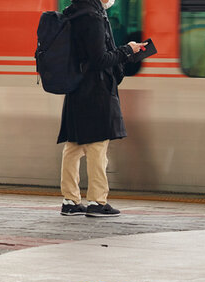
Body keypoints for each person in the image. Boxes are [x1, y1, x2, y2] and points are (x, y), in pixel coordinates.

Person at [58, 0, 147, 217]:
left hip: (77, 89)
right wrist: (128, 50)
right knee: (97, 144)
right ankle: (97, 201)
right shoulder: (93, 17)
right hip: (95, 90)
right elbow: (100, 59)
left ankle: (70, 200)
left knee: (74, 145)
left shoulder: (73, 12)